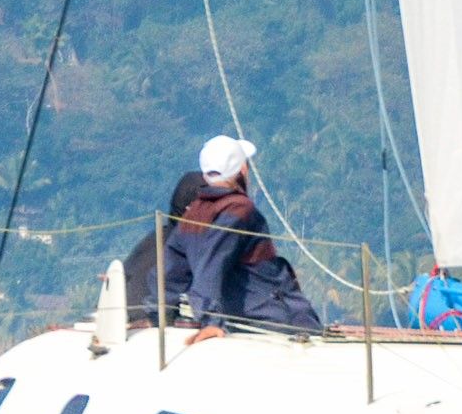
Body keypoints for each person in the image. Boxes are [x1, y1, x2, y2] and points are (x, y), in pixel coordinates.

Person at [168, 135, 322, 339]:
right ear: (243, 170)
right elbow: (211, 265)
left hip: (238, 320)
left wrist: (158, 312)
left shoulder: (193, 213)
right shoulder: (240, 209)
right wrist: (211, 320)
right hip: (272, 319)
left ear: (206, 176)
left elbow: (170, 269)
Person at [122, 169, 205, 326]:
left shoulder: (157, 238)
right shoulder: (186, 243)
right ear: (191, 208)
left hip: (123, 317)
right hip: (148, 322)